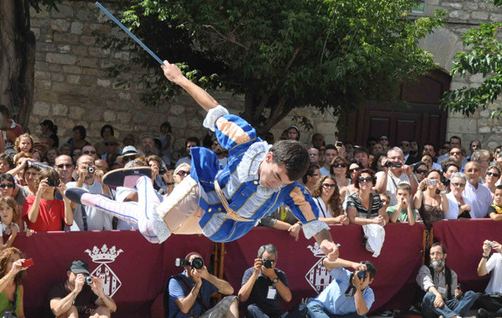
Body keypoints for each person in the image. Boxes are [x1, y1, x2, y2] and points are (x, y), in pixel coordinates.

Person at [66, 61, 339, 260]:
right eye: (275, 176)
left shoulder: (289, 189)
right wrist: (180, 78)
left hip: (220, 225)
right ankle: (135, 185)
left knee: (152, 224)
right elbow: (215, 110)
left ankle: (141, 186)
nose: (274, 185)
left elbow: (313, 222)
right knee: (153, 230)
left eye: (283, 183)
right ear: (269, 156)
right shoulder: (246, 142)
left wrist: (325, 242)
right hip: (204, 191)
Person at [162, 252, 242, 318]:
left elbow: (229, 290)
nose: (196, 266)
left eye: (199, 262)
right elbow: (184, 308)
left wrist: (208, 276)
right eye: (193, 263)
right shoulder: (176, 281)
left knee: (232, 299)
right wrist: (197, 285)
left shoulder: (206, 278)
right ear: (186, 266)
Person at [238, 245, 302, 318]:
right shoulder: (250, 272)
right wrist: (255, 274)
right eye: (267, 261)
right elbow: (242, 297)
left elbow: (288, 298)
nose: (270, 264)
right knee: (251, 308)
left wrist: (273, 277)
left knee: (302, 308)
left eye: (273, 261)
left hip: (274, 317)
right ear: (259, 260)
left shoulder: (279, 274)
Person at [305, 257, 375, 318]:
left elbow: (361, 312)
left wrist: (356, 287)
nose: (360, 278)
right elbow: (326, 262)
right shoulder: (345, 275)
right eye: (359, 274)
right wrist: (352, 264)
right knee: (310, 306)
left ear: (371, 280)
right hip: (322, 309)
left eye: (365, 276)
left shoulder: (369, 293)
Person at [417, 244, 477, 318]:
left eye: (438, 253)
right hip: (430, 307)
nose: (434, 256)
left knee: (471, 294)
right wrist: (438, 296)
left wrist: (458, 295)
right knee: (429, 295)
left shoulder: (452, 274)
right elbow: (428, 285)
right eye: (432, 254)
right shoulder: (425, 269)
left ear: (444, 255)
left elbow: (452, 297)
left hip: (445, 304)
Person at [66, 155, 112, 231]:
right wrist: (81, 180)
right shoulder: (70, 186)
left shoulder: (102, 186)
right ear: (77, 169)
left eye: (90, 165)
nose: (87, 168)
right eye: (84, 166)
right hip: (76, 234)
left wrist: (103, 181)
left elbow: (108, 205)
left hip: (98, 233)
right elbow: (72, 205)